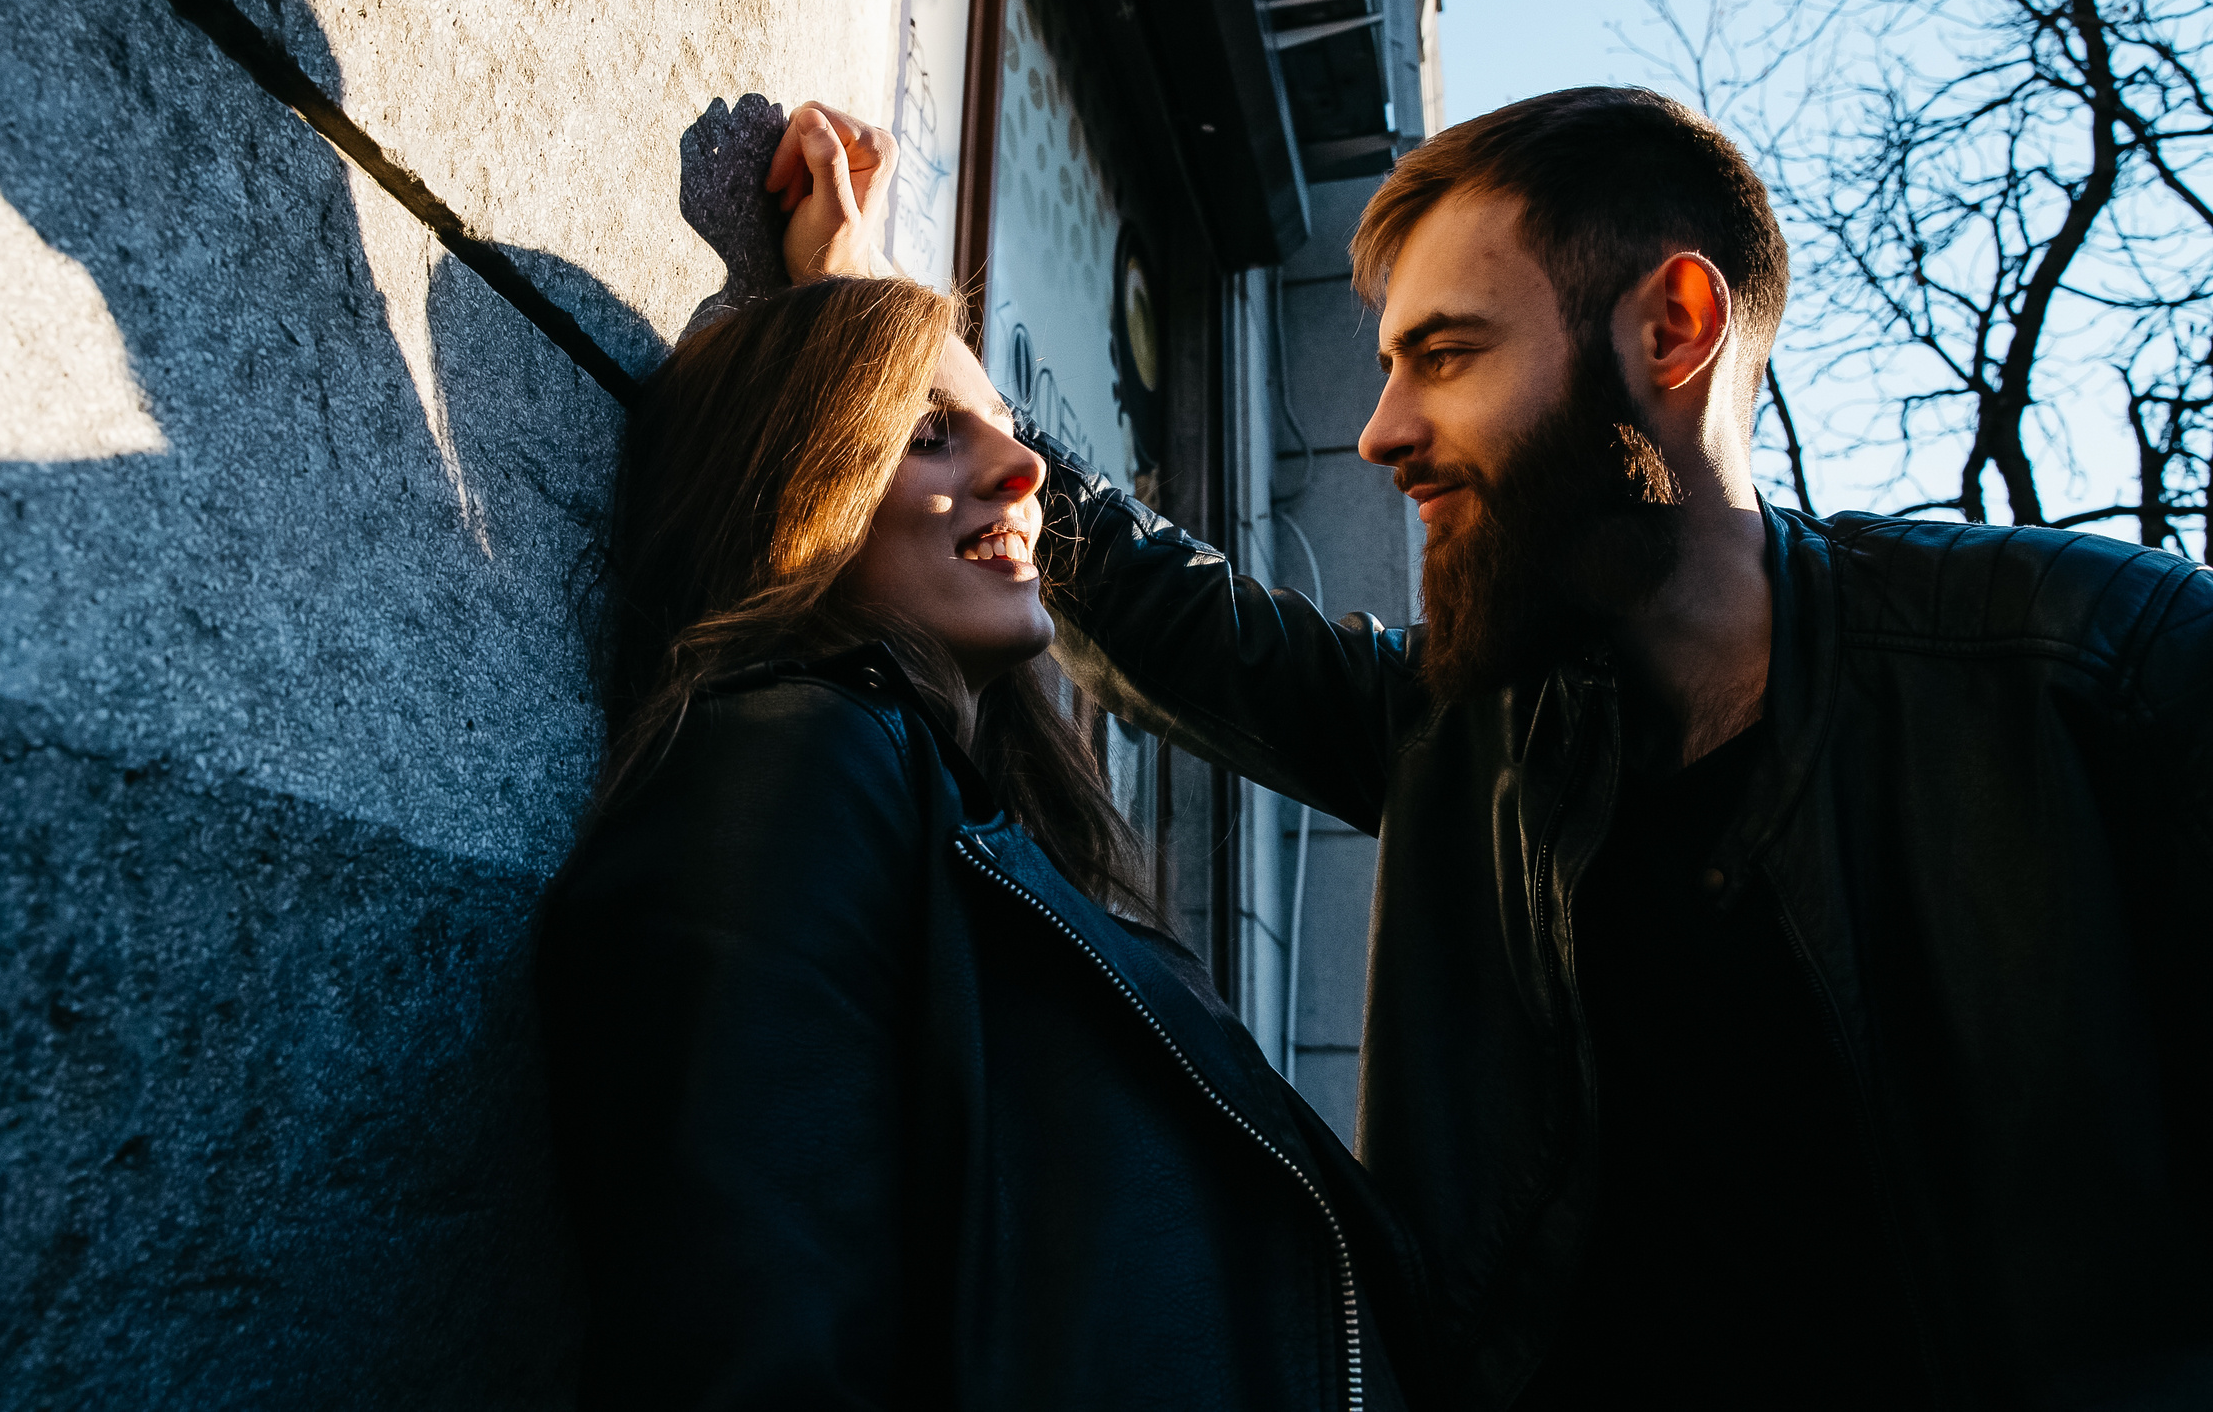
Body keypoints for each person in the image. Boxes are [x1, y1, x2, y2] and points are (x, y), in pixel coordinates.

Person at [767, 92, 2213, 1410]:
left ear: (1672, 326)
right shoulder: (1477, 739)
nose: (1385, 428)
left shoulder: (2099, 674)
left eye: (1446, 354)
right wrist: (886, 329)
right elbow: (1178, 617)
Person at [538, 264, 1420, 1409]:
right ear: (787, 486)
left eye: (1002, 430)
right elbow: (746, 1342)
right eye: (925, 434)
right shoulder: (791, 760)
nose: (1028, 469)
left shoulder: (970, 833)